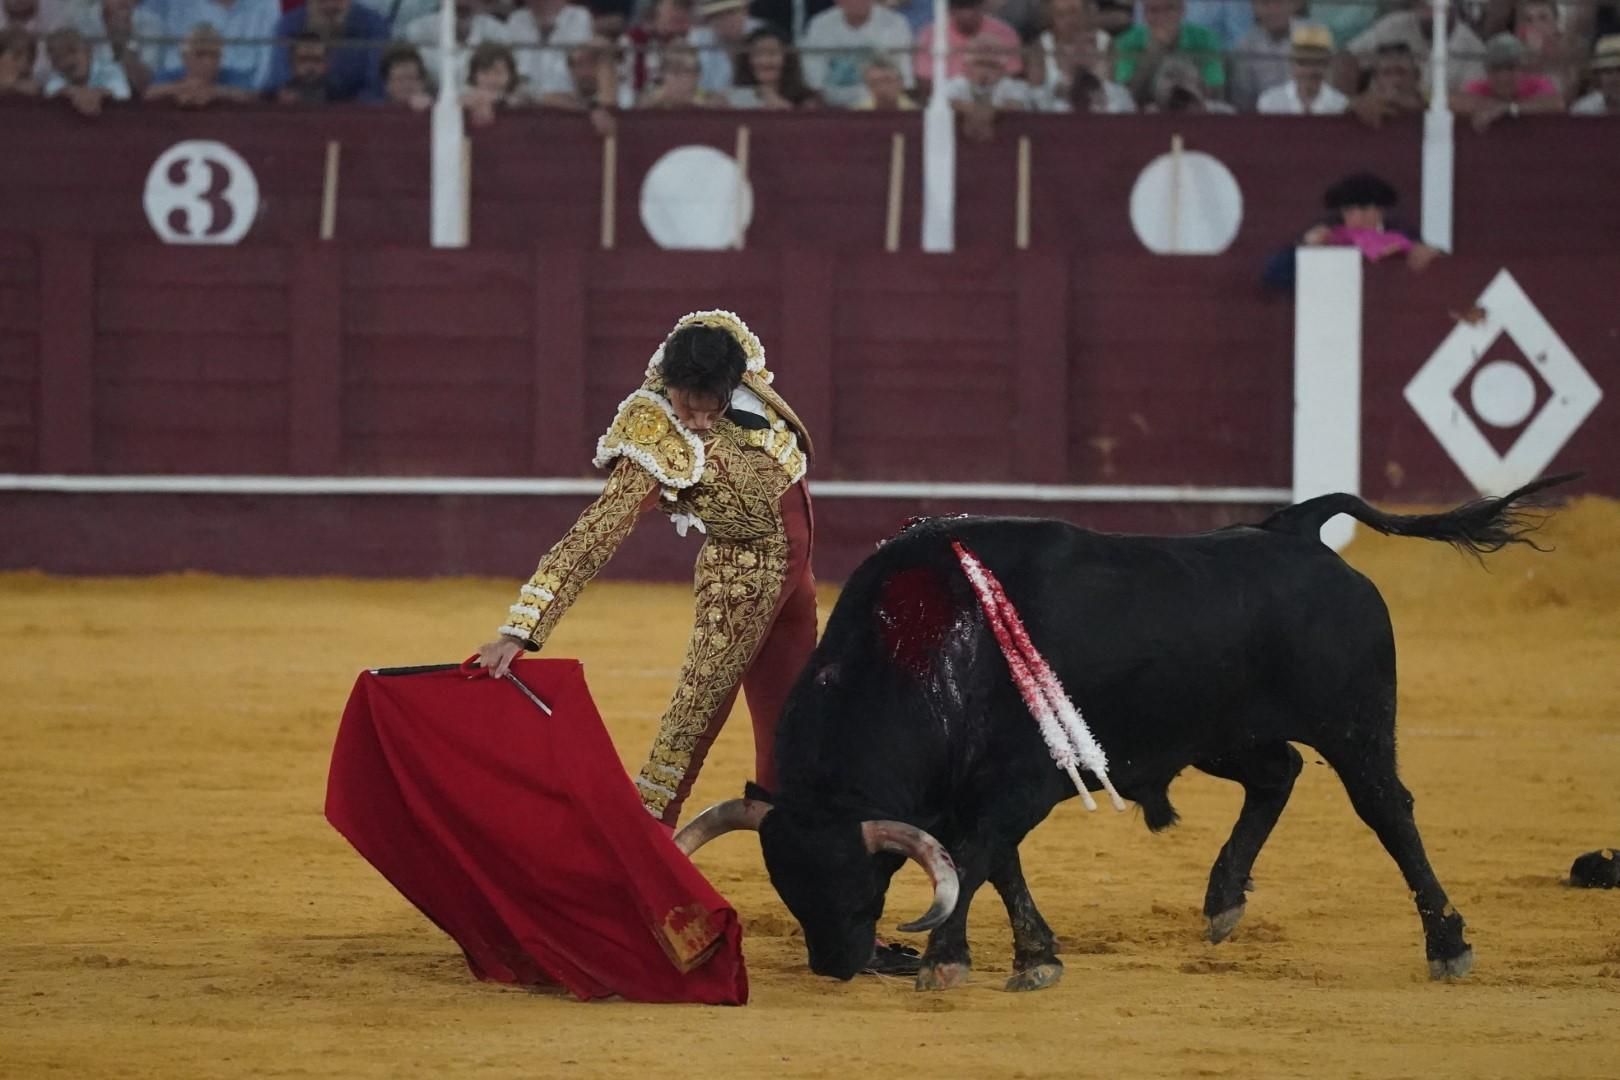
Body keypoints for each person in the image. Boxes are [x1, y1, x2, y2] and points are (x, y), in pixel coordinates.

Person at [475, 311, 819, 840]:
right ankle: (645, 839)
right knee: (695, 714)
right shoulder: (653, 430)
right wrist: (520, 629)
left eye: (713, 409)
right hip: (741, 576)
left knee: (796, 717)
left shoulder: (739, 371)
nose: (701, 422)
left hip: (796, 577)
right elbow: (598, 530)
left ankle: (803, 842)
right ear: (670, 387)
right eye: (690, 408)